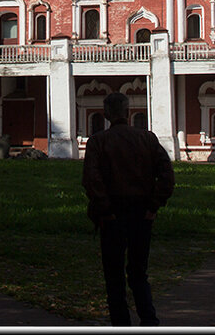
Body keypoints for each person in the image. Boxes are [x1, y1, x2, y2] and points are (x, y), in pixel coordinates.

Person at [82, 92, 175, 327]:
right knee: (138, 272)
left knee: (114, 277)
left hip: (112, 215)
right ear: (128, 112)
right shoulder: (148, 139)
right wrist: (154, 205)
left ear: (106, 114)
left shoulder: (98, 142)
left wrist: (105, 212)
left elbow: (92, 180)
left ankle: (121, 324)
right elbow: (167, 176)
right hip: (141, 214)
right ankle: (149, 321)